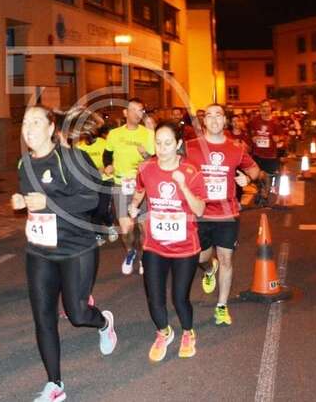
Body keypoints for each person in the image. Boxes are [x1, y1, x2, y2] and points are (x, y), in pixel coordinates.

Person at [12, 105, 117, 402]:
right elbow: (34, 203)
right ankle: (55, 384)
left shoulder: (72, 158)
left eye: (36, 122)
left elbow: (91, 199)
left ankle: (104, 322)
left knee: (77, 314)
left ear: (50, 129)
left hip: (76, 248)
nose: (29, 128)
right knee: (43, 317)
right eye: (25, 122)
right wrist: (22, 201)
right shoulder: (23, 164)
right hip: (39, 250)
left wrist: (47, 203)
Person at [128, 122, 206, 361]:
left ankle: (188, 332)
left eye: (168, 143)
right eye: (158, 143)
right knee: (154, 297)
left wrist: (182, 185)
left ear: (178, 144)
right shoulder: (146, 168)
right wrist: (134, 204)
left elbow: (200, 209)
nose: (162, 149)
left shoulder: (192, 171)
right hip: (155, 245)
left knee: (179, 298)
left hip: (185, 247)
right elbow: (140, 189)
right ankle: (163, 332)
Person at [185, 104, 259, 325]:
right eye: (209, 115)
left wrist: (248, 178)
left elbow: (254, 169)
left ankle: (222, 306)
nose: (214, 119)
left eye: (219, 115)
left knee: (226, 259)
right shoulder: (190, 147)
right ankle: (209, 269)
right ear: (204, 121)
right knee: (201, 258)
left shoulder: (236, 148)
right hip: (200, 212)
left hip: (227, 213)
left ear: (225, 121)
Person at [102, 98, 155, 275]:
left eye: (140, 110)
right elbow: (107, 154)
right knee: (126, 228)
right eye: (133, 109)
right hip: (121, 184)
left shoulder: (147, 133)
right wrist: (108, 165)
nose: (137, 113)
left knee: (144, 226)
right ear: (125, 113)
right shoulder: (114, 134)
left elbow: (155, 160)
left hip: (143, 184)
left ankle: (145, 257)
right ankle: (131, 252)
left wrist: (145, 154)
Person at [248, 100, 283, 206]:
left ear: (270, 108)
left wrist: (278, 138)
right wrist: (252, 137)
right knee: (257, 176)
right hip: (257, 154)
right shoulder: (254, 120)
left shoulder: (275, 122)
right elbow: (250, 131)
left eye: (266, 106)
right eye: (262, 106)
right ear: (260, 108)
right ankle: (262, 194)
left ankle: (266, 195)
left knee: (269, 176)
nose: (264, 108)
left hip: (270, 155)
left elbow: (282, 135)